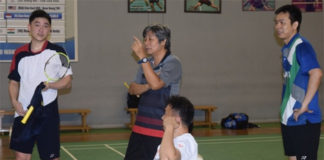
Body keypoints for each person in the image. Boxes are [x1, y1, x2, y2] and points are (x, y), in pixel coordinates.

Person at [8, 9, 72, 160]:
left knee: (51, 157)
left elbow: (67, 81)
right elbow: (13, 82)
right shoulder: (19, 53)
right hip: (23, 113)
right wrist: (14, 102)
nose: (41, 29)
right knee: (21, 157)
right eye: (37, 25)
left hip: (47, 114)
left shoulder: (58, 51)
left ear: (49, 29)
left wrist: (51, 85)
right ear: (29, 27)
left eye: (45, 26)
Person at [124, 24, 182, 160]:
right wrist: (149, 85)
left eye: (151, 39)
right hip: (140, 127)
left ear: (163, 42)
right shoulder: (147, 63)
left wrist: (143, 60)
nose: (146, 43)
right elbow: (132, 89)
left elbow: (156, 84)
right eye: (145, 39)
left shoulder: (173, 62)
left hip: (161, 128)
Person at [274, 5, 322, 160]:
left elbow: (316, 73)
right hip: (289, 117)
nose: (278, 27)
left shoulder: (301, 46)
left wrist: (305, 105)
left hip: (303, 119)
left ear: (295, 25)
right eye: (276, 23)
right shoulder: (286, 48)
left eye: (282, 22)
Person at [153, 96, 198, 160]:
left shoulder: (187, 141)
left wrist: (169, 126)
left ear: (176, 120)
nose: (162, 117)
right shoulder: (170, 141)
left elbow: (168, 158)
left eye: (165, 114)